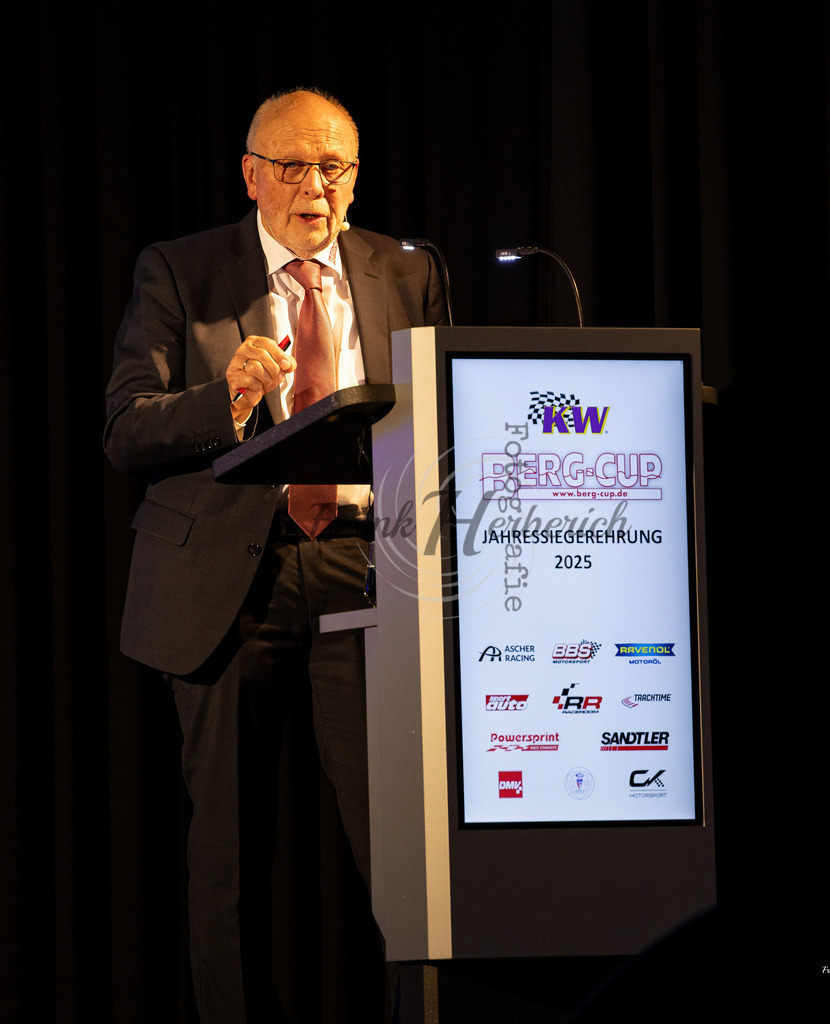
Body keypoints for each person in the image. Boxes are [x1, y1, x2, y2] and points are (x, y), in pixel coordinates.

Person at [104, 87, 446, 1022]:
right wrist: (230, 400)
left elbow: (441, 420)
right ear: (252, 174)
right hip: (228, 577)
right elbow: (125, 431)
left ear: (355, 178)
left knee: (407, 850)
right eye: (291, 166)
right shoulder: (181, 271)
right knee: (230, 858)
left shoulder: (403, 272)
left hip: (367, 569)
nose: (313, 186)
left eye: (331, 167)